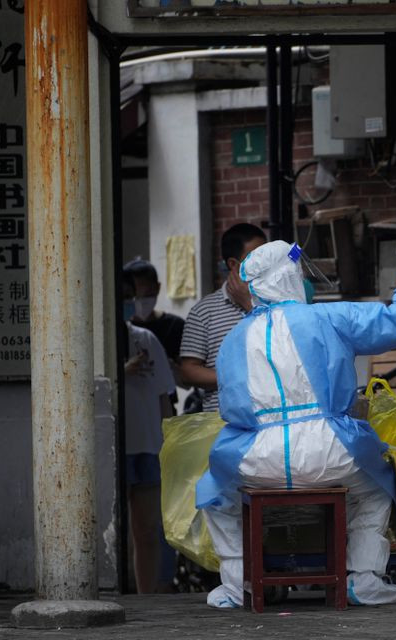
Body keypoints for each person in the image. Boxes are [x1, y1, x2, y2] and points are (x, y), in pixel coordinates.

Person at [195, 238, 396, 608]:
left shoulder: (233, 339)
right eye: (298, 271)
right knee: (376, 489)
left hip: (257, 459)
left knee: (214, 496)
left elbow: (231, 411)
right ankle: (364, 580)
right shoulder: (328, 317)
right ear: (288, 276)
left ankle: (237, 585)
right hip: (333, 452)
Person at [122, 277, 177, 593]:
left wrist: (168, 445)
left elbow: (163, 397)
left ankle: (146, 594)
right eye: (125, 297)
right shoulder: (94, 343)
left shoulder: (146, 339)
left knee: (147, 529)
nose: (131, 303)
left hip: (147, 445)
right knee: (119, 530)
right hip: (115, 448)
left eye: (132, 296)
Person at [179, 223, 267, 413]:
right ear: (233, 265)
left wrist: (250, 305)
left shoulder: (275, 301)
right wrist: (239, 377)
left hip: (272, 421)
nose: (265, 264)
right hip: (223, 425)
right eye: (257, 258)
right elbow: (188, 371)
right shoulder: (204, 311)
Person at [124, 258, 186, 404]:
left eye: (148, 295)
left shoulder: (175, 326)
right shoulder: (121, 330)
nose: (142, 301)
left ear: (158, 288)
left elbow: (187, 379)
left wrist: (169, 368)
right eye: (136, 296)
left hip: (164, 403)